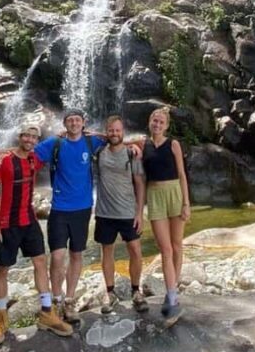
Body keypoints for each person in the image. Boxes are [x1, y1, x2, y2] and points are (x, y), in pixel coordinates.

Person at [0, 125, 73, 343]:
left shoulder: (34, 160)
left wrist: (63, 134)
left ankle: (47, 313)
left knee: (41, 261)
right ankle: (1, 320)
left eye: (34, 137)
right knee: (3, 269)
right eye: (26, 136)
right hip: (6, 224)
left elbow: (58, 144)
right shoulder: (2, 160)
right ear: (20, 137)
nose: (30, 140)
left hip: (29, 220)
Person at [32, 108, 106, 323]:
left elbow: (114, 138)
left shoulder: (92, 142)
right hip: (59, 209)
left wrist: (136, 148)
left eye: (77, 120)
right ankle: (56, 299)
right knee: (57, 256)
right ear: (65, 124)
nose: (74, 124)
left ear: (83, 123)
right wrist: (2, 153)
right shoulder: (55, 144)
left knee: (76, 254)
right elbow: (28, 153)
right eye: (70, 121)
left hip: (82, 209)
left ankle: (70, 299)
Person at [140, 106, 190, 326]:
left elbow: (181, 174)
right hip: (155, 195)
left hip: (175, 193)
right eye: (154, 121)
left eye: (161, 122)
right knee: (166, 248)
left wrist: (186, 203)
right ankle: (171, 294)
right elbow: (116, 139)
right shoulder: (143, 145)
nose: (157, 124)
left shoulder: (174, 145)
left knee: (177, 245)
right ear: (150, 123)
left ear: (166, 125)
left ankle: (172, 292)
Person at [94, 115, 149, 314]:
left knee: (135, 250)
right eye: (111, 130)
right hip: (104, 212)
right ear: (106, 132)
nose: (114, 133)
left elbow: (140, 183)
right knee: (106, 251)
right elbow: (81, 135)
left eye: (117, 130)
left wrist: (139, 213)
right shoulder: (99, 152)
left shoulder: (131, 154)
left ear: (122, 131)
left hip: (127, 211)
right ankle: (110, 292)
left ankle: (136, 290)